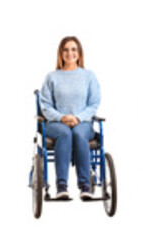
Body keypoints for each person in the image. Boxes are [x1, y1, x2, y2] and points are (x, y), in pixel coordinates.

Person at [38, 36, 102, 201]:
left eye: (74, 49)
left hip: (82, 123)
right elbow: (45, 105)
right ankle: (61, 187)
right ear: (61, 53)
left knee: (79, 134)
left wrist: (78, 118)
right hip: (56, 124)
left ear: (79, 53)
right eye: (66, 49)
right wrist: (62, 117)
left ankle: (85, 186)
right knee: (65, 134)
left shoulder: (89, 76)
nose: (70, 53)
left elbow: (94, 104)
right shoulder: (52, 77)